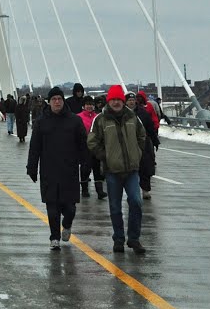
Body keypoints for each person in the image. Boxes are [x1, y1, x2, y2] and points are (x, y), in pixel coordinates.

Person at [26, 86, 88, 251]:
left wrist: (86, 164)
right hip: (49, 171)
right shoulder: (41, 122)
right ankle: (54, 238)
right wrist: (31, 167)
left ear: (63, 100)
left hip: (69, 170)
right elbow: (35, 147)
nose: (57, 102)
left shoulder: (74, 121)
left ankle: (66, 225)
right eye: (54, 99)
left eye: (60, 99)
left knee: (70, 208)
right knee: (52, 208)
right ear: (49, 102)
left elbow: (83, 145)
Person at [87, 84, 146, 255]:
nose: (115, 102)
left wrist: (138, 153)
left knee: (136, 202)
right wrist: (105, 156)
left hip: (132, 170)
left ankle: (134, 238)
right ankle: (118, 239)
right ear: (108, 101)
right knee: (115, 207)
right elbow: (92, 141)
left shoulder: (132, 117)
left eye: (118, 99)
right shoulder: (100, 120)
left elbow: (142, 136)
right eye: (112, 99)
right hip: (112, 171)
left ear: (123, 101)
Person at [129, 93, 158, 200]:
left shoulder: (143, 113)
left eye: (133, 100)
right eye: (129, 100)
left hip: (144, 143)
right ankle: (132, 190)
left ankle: (145, 190)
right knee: (132, 169)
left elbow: (150, 127)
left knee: (146, 167)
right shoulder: (122, 114)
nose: (131, 102)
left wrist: (155, 141)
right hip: (129, 145)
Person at [77, 96, 105, 199]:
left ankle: (100, 191)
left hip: (96, 147)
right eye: (87, 104)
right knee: (85, 169)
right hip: (84, 147)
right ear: (83, 106)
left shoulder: (98, 117)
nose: (89, 106)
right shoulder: (78, 117)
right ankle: (84, 190)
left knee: (98, 169)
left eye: (91, 104)